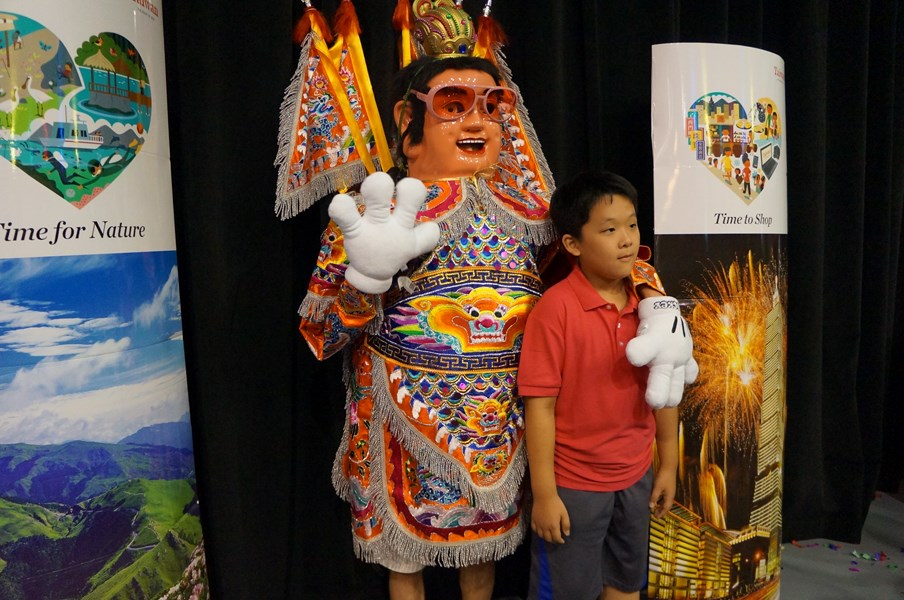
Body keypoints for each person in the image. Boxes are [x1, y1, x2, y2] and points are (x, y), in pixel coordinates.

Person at [518, 171, 691, 600]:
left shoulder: (653, 307)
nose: (627, 240)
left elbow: (666, 388)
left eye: (632, 225)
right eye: (609, 230)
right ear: (573, 244)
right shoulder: (555, 310)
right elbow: (539, 407)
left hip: (636, 475)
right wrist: (545, 494)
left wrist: (667, 465)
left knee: (625, 583)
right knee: (567, 590)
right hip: (573, 484)